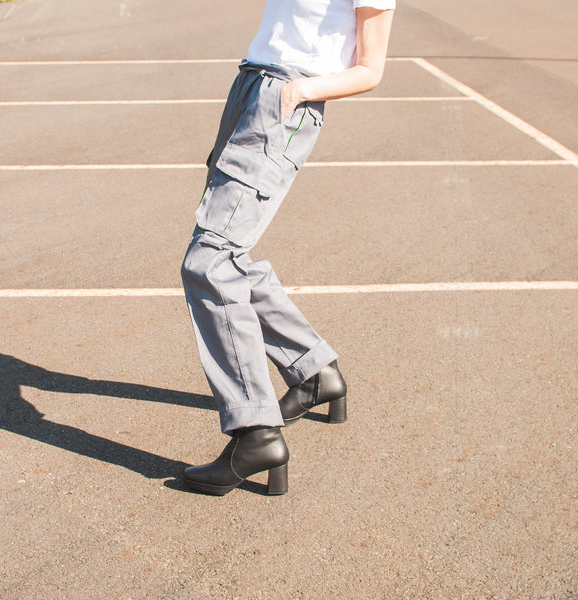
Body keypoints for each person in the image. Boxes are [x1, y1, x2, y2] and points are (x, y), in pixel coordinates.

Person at [181, 0, 395, 496]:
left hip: (286, 97)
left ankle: (256, 433)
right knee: (228, 256)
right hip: (252, 86)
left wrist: (301, 91)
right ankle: (314, 370)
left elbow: (370, 69)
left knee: (211, 261)